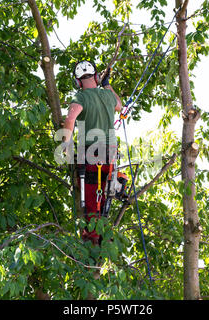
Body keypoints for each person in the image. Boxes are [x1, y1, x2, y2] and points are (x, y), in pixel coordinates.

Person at [62, 60, 122, 245]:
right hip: (110, 154)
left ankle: (93, 238)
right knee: (104, 194)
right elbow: (119, 105)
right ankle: (104, 234)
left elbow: (70, 119)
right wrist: (107, 85)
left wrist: (66, 144)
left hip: (91, 154)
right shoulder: (108, 95)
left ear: (78, 82)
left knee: (90, 197)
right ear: (96, 77)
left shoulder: (81, 97)